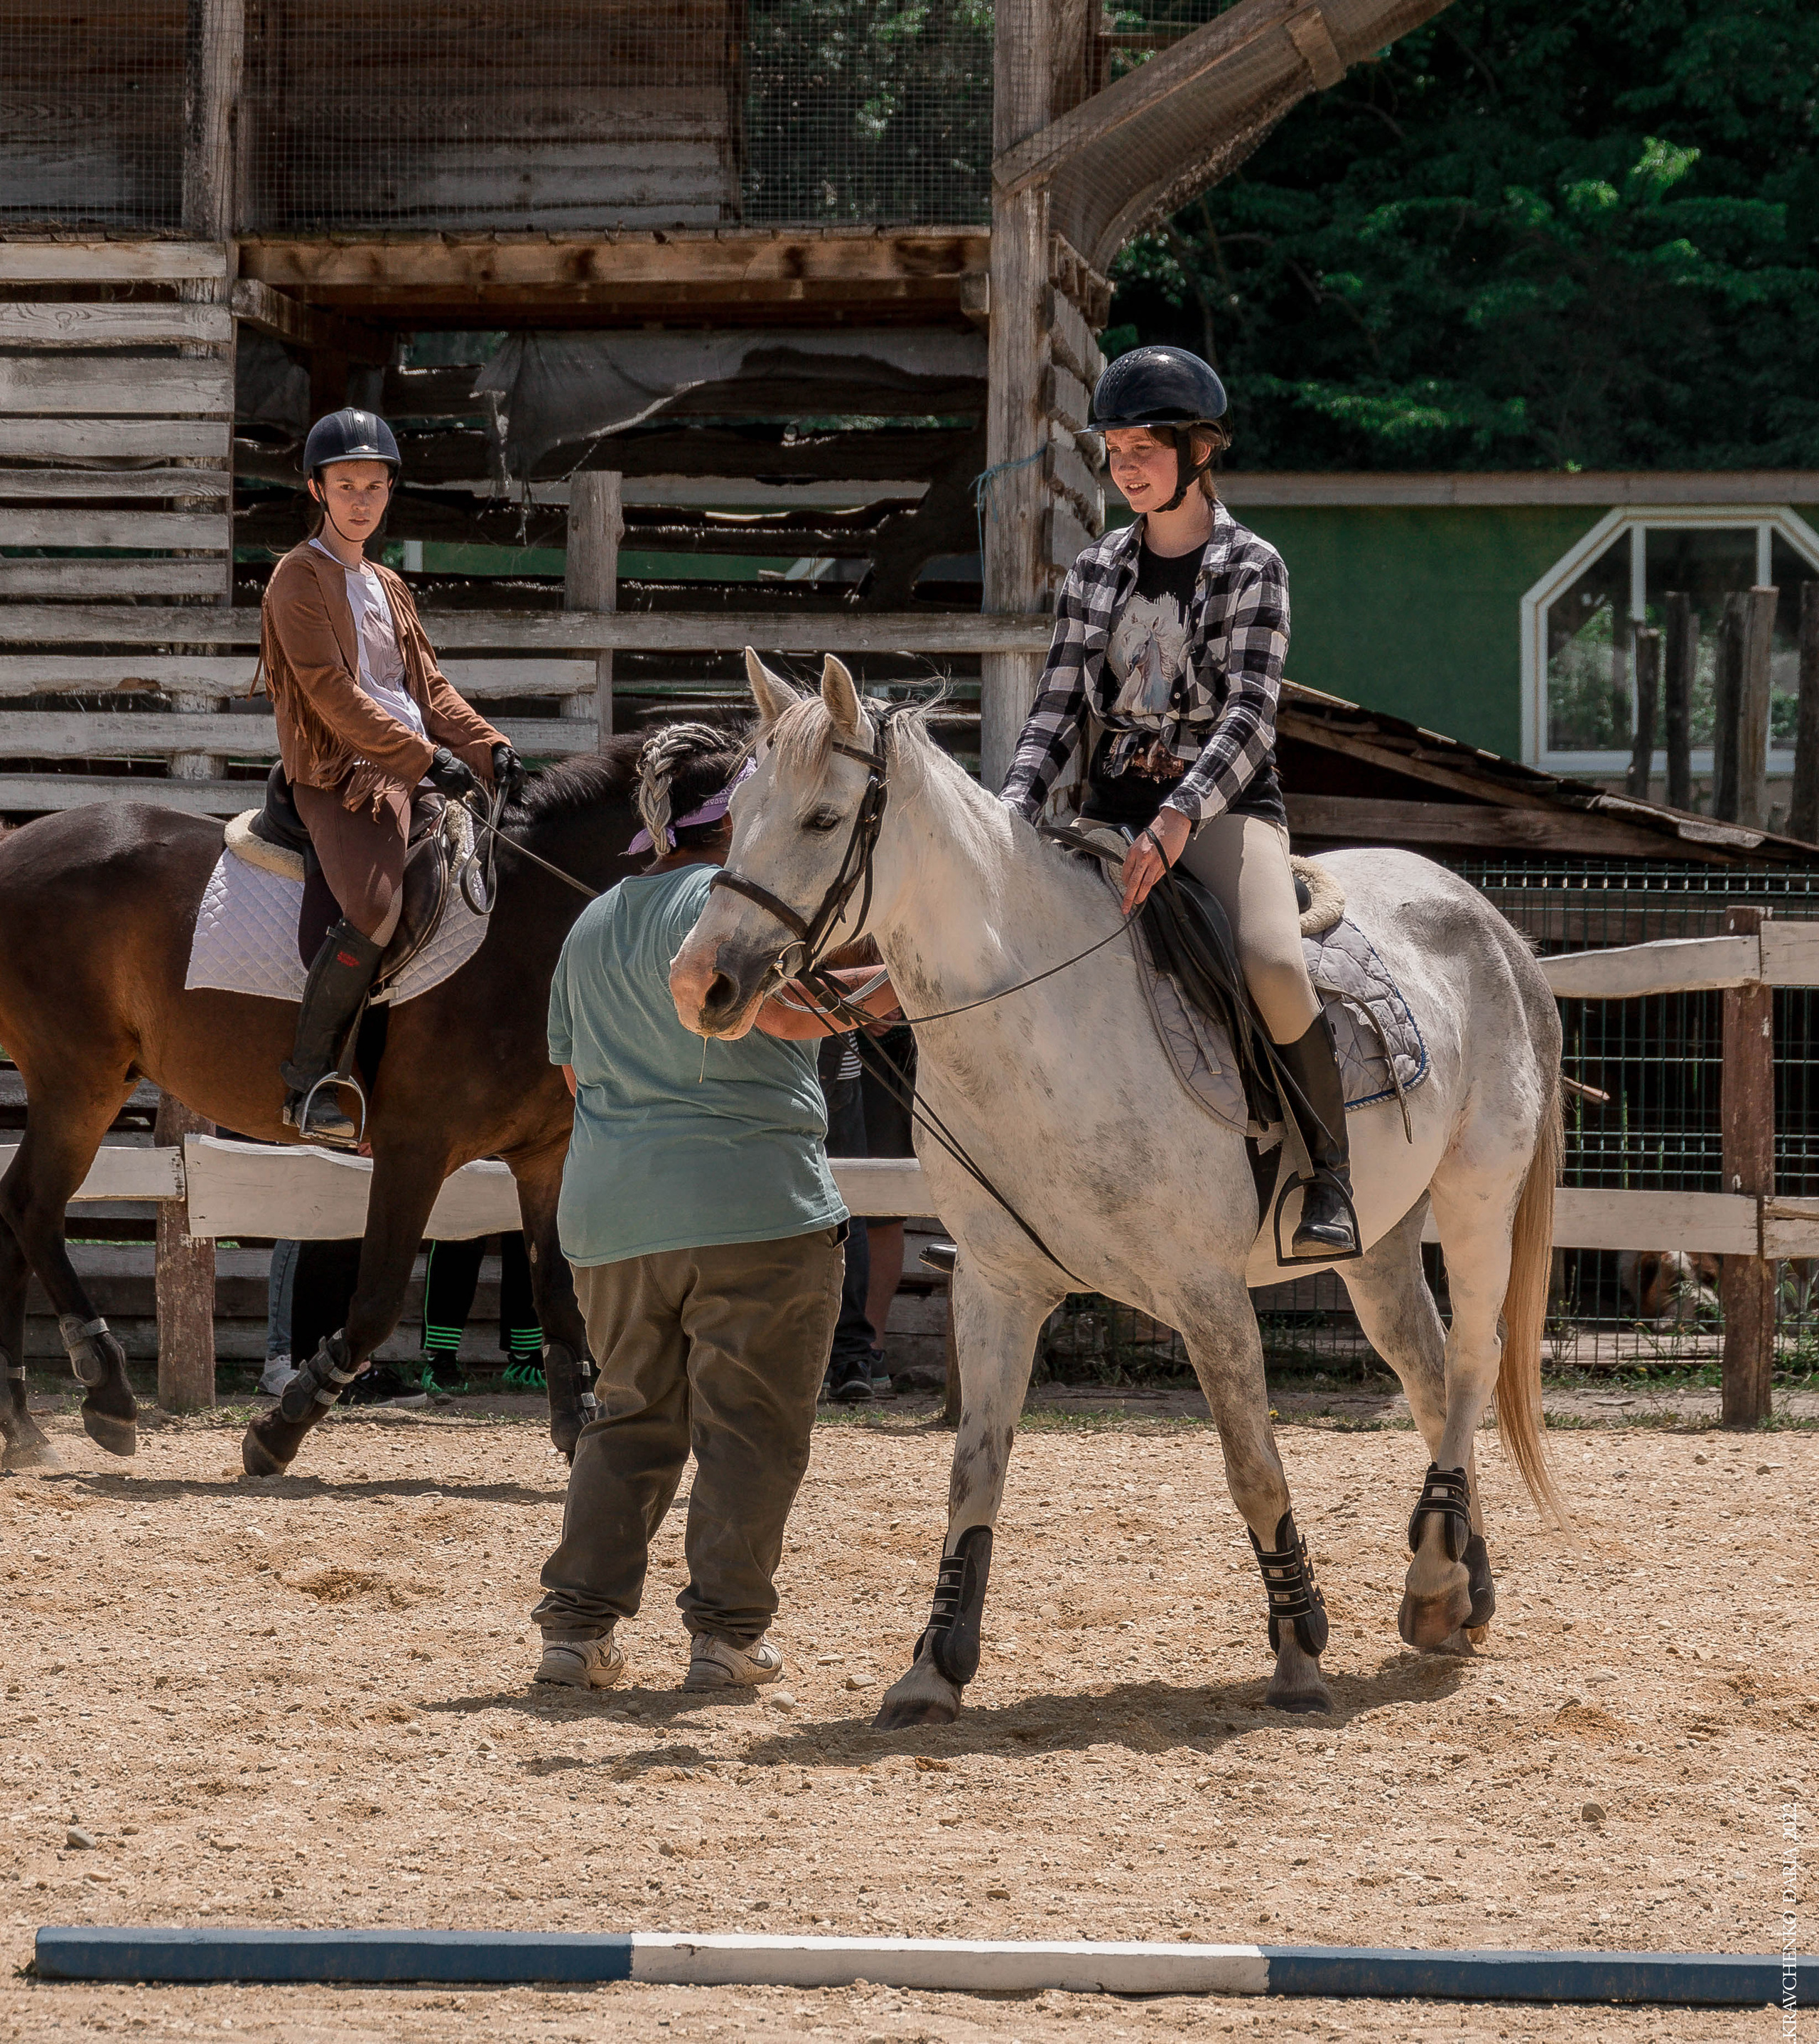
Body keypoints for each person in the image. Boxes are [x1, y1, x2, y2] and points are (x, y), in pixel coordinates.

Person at [532, 724, 901, 1693]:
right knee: (752, 1427)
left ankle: (576, 1631)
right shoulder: (727, 905)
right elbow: (781, 1015)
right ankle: (727, 1637)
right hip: (754, 1210)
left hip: (611, 1221)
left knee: (627, 1421)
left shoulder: (596, 917)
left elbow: (573, 1075)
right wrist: (903, 985)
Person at [998, 345, 1354, 1259]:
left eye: (1142, 447)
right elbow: (1055, 704)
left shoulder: (1251, 564)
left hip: (1224, 811)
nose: (1123, 465)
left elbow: (1250, 712)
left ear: (1198, 451)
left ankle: (1328, 1173)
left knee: (1273, 962)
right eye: (1113, 448)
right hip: (1106, 815)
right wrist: (1009, 814)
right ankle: (1015, 1191)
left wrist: (1180, 813)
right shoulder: (1092, 570)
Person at [257, 407, 520, 1146]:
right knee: (373, 910)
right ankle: (310, 1079)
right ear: (317, 488)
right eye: (346, 485)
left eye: (374, 485)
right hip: (342, 774)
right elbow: (330, 694)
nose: (362, 500)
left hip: (411, 763)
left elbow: (429, 690)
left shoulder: (388, 583)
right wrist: (419, 756)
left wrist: (485, 744)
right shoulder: (297, 579)